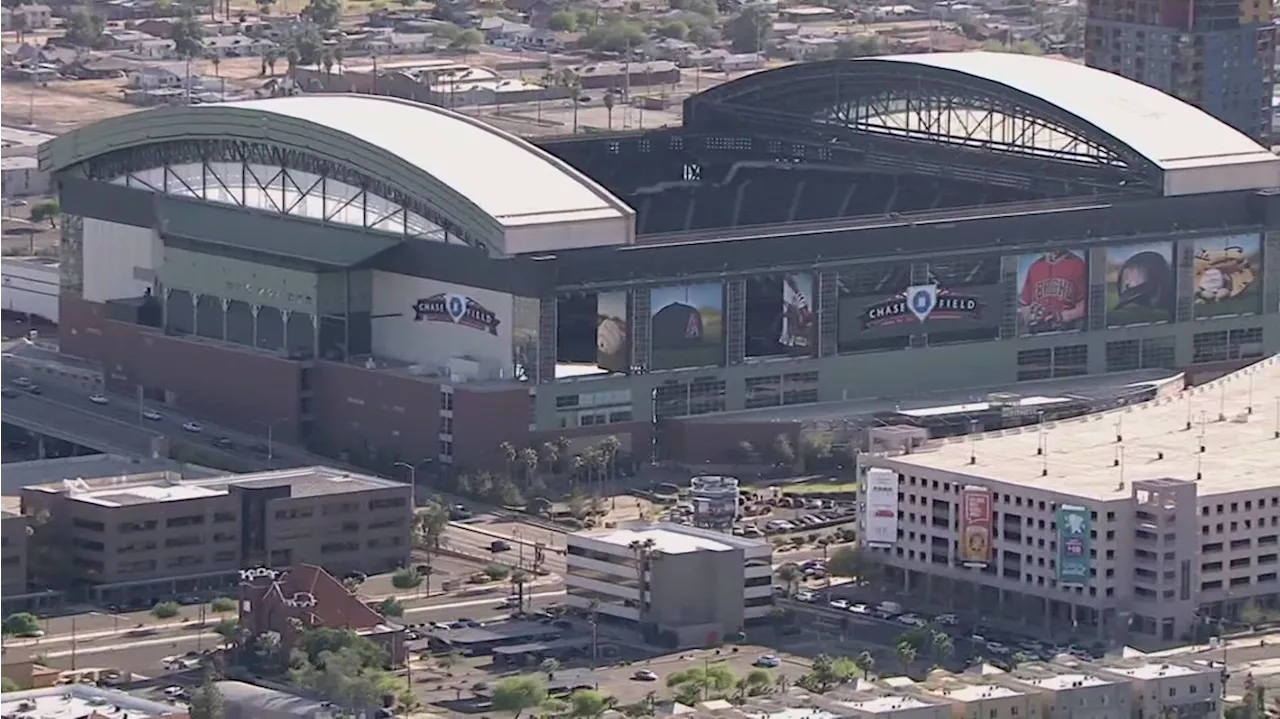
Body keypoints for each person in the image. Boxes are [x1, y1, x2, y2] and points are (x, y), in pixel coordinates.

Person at [1018, 250, 1087, 333]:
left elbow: (1086, 306)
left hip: (1067, 334)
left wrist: (1062, 316)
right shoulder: (1035, 267)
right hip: (1038, 335)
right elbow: (1025, 305)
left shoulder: (1078, 264)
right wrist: (1030, 317)